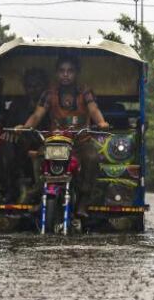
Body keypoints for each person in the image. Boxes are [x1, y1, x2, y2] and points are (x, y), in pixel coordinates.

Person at [19, 54, 110, 217]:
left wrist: (101, 122)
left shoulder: (85, 92)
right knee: (39, 156)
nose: (66, 74)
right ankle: (41, 195)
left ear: (77, 73)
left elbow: (93, 109)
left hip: (81, 142)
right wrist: (25, 127)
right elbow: (37, 115)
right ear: (56, 73)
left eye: (70, 71)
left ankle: (83, 200)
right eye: (62, 71)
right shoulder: (49, 94)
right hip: (56, 142)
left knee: (92, 158)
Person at [0, 68, 49, 203]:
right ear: (25, 87)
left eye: (37, 85)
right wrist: (13, 133)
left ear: (44, 85)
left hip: (47, 143)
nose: (34, 89)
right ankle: (11, 190)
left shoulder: (50, 102)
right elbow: (9, 127)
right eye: (30, 86)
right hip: (22, 144)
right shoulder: (17, 105)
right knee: (6, 145)